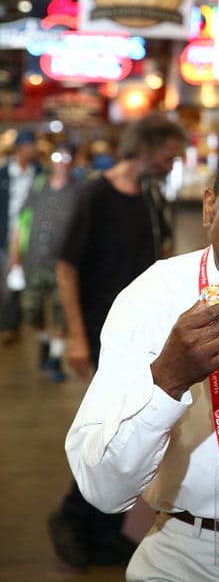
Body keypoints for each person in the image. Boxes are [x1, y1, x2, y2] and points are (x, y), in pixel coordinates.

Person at [64, 136, 219, 582]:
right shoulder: (154, 298)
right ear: (210, 206)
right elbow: (102, 489)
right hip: (188, 554)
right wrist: (167, 379)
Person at [48, 112, 186, 571]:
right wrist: (73, 335)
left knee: (128, 426)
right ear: (147, 147)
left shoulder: (150, 197)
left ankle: (103, 534)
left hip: (141, 333)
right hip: (96, 329)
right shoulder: (96, 195)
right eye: (168, 156)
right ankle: (71, 517)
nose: (172, 165)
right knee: (107, 428)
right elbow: (66, 267)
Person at [10, 143, 81, 381]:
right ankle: (45, 341)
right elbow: (22, 220)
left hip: (64, 263)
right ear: (50, 160)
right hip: (34, 259)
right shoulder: (38, 185)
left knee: (61, 311)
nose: (61, 161)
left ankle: (54, 359)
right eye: (56, 156)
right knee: (32, 310)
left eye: (66, 156)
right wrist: (14, 253)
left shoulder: (78, 190)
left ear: (72, 161)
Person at [0, 129, 42, 344]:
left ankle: (17, 323)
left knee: (22, 282)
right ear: (20, 148)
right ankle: (8, 325)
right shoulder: (4, 173)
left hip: (32, 238)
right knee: (7, 284)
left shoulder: (39, 173)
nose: (33, 149)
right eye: (30, 145)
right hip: (6, 236)